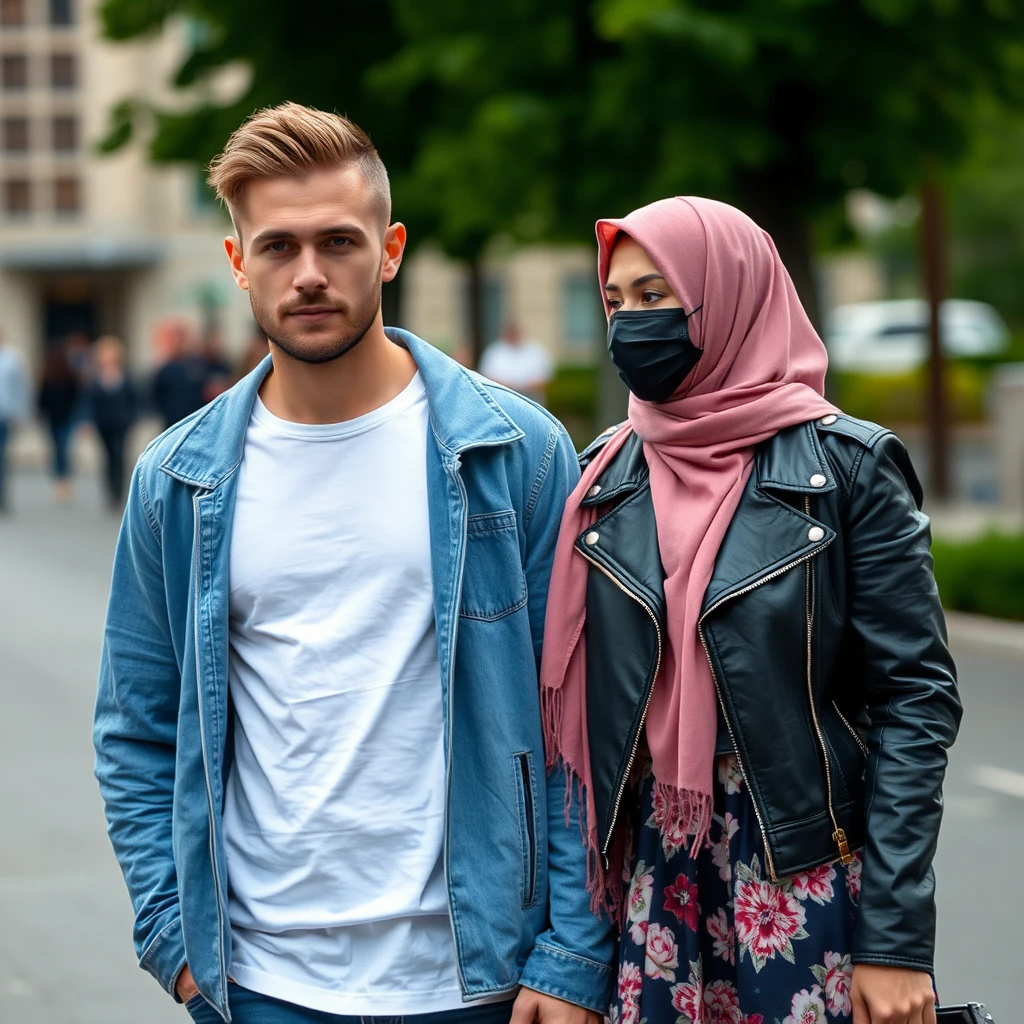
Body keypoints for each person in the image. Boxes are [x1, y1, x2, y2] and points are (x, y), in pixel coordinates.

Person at [93, 102, 614, 1024]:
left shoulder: (515, 452)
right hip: (262, 985)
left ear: (391, 248)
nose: (308, 275)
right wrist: (175, 942)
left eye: (338, 241)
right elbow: (135, 730)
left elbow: (581, 721)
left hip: (481, 974)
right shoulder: (176, 482)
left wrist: (570, 951)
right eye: (277, 247)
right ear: (235, 263)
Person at [538, 198, 961, 1024]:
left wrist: (896, 940)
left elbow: (916, 703)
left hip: (803, 874)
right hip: (653, 882)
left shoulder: (848, 468)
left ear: (724, 294)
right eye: (616, 301)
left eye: (656, 296)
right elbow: (576, 738)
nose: (631, 324)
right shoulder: (604, 477)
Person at [88, 335, 137, 510]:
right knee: (107, 456)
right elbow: (90, 401)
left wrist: (132, 418)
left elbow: (133, 398)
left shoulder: (125, 374)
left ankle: (119, 491)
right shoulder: (96, 377)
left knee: (119, 455)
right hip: (103, 423)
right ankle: (110, 492)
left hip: (122, 422)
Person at [37, 341, 81, 503]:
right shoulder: (61, 376)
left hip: (59, 418)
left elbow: (41, 400)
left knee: (59, 447)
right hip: (62, 418)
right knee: (60, 448)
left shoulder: (54, 376)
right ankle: (62, 478)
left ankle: (62, 479)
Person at [150, 318, 208, 428]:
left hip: (194, 420)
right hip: (172, 421)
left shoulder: (197, 366)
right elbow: (156, 395)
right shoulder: (165, 369)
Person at [479, 322, 554, 404]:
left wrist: (526, 387)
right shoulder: (494, 351)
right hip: (502, 400)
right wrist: (509, 387)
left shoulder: (535, 350)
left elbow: (545, 377)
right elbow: (486, 376)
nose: (513, 335)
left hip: (533, 400)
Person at [0, 329, 30, 512]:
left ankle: (2, 495)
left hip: (4, 414)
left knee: (1, 456)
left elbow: (21, 388)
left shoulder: (12, 358)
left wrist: (20, 413)